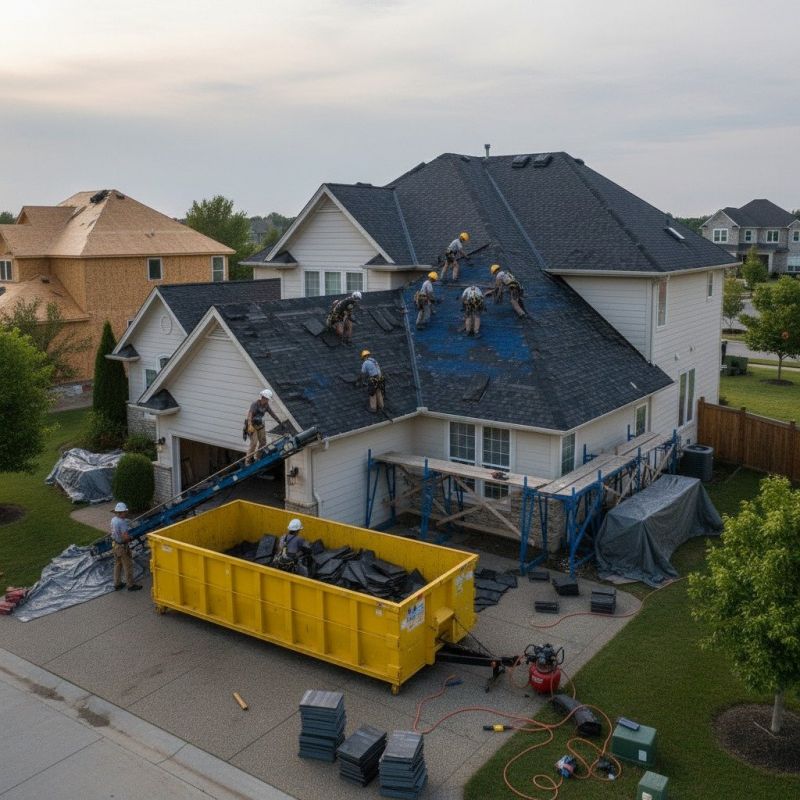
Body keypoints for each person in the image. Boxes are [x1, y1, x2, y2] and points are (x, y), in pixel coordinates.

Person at [110, 502, 142, 592]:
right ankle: (130, 585)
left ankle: (117, 584)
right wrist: (131, 537)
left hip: (115, 545)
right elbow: (125, 537)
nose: (126, 513)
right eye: (125, 512)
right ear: (121, 512)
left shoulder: (113, 520)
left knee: (118, 564)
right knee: (128, 565)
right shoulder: (122, 522)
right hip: (122, 547)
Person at [245, 389, 282, 465]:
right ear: (263, 397)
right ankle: (248, 461)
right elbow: (249, 415)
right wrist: (249, 425)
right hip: (252, 425)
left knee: (263, 442)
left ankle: (257, 457)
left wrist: (279, 422)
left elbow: (272, 414)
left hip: (260, 424)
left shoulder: (266, 405)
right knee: (254, 443)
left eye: (268, 399)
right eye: (267, 399)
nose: (268, 400)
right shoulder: (255, 404)